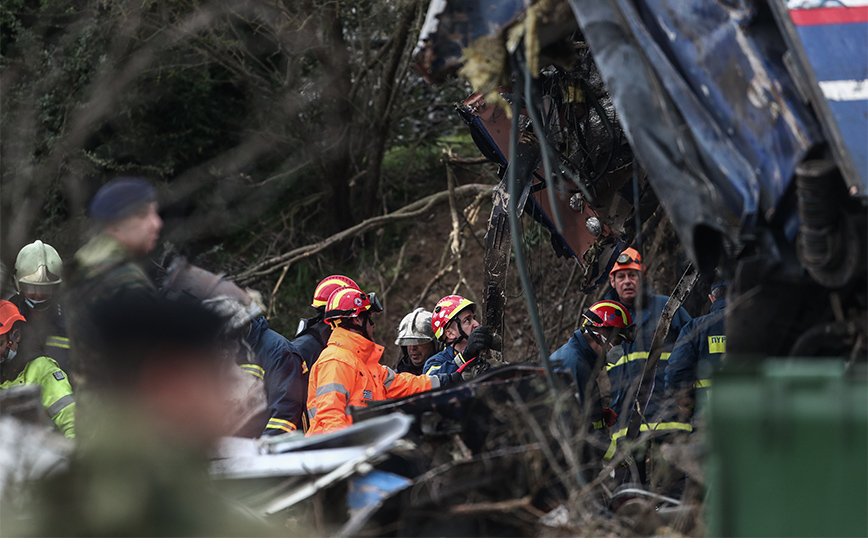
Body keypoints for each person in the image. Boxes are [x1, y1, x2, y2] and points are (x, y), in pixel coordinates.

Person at [10, 296, 271, 536]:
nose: (223, 397)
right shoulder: (205, 522)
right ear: (170, 387)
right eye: (215, 378)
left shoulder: (45, 510)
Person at [306, 288, 463, 435]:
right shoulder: (336, 360)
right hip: (338, 450)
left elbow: (406, 384)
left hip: (361, 445)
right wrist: (346, 450)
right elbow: (330, 417)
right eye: (369, 319)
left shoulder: (365, 365)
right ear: (358, 320)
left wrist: (446, 380)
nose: (373, 325)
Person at [65, 177, 163, 396]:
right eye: (143, 215)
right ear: (115, 225)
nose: (156, 224)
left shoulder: (86, 269)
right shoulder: (124, 280)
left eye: (155, 213)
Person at [550, 301, 635, 432]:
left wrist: (598, 412)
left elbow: (576, 408)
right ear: (599, 337)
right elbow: (577, 431)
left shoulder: (581, 360)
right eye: (617, 342)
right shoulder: (574, 365)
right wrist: (611, 446)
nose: (619, 349)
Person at [0, 300, 75, 438]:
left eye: (0, 344)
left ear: (16, 335)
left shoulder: (42, 369)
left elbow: (72, 423)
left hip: (41, 448)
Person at [665, 281, 727, 422]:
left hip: (708, 417)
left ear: (712, 298)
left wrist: (690, 405)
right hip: (751, 417)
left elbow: (676, 373)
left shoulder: (695, 328)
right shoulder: (756, 326)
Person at [8, 240, 71, 374]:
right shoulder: (7, 316)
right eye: (31, 288)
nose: (39, 295)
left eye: (46, 288)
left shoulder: (71, 315)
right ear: (17, 284)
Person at [423, 295, 495, 377]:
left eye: (474, 318)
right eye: (467, 320)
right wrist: (465, 356)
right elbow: (433, 379)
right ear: (450, 333)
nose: (476, 324)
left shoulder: (479, 363)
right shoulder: (435, 362)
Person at [395, 307, 440, 375]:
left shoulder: (447, 372)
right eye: (408, 342)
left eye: (419, 341)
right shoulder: (397, 376)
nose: (413, 347)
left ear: (434, 343)